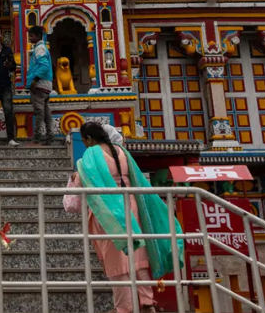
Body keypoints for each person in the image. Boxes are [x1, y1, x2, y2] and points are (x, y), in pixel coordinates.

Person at [63, 122, 183, 313]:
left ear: (89, 139)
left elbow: (83, 186)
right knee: (138, 259)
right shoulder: (122, 151)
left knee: (117, 262)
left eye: (84, 140)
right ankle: (146, 302)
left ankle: (124, 307)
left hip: (109, 211)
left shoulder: (91, 155)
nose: (84, 144)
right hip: (132, 206)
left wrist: (75, 177)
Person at [26, 25, 56, 144]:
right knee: (46, 112)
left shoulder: (39, 48)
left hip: (39, 85)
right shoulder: (43, 48)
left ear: (38, 36)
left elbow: (44, 66)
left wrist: (34, 80)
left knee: (39, 112)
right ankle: (50, 136)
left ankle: (37, 137)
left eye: (31, 36)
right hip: (46, 85)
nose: (30, 38)